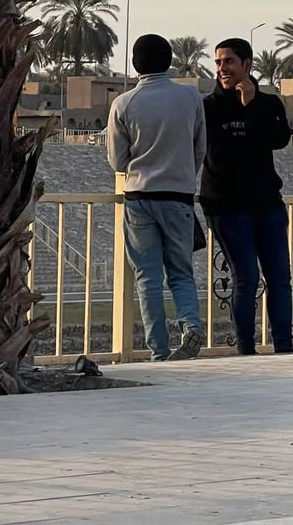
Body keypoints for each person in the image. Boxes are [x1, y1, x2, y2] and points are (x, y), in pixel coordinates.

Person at [107, 34, 205, 361]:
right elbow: (199, 147)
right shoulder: (190, 97)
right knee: (181, 272)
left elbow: (117, 160)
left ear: (135, 64)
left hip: (139, 195)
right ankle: (191, 325)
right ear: (169, 61)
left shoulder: (124, 103)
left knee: (147, 277)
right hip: (178, 196)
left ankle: (158, 351)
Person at [200, 38, 293, 355]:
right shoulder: (208, 108)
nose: (222, 68)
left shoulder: (268, 104)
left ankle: (284, 347)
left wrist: (251, 105)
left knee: (279, 277)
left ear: (247, 64)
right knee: (246, 277)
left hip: (266, 204)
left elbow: (278, 139)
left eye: (228, 61)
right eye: (218, 62)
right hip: (226, 207)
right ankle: (246, 350)